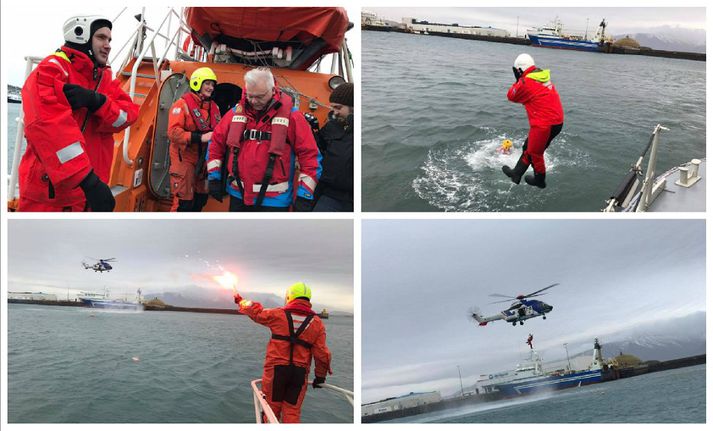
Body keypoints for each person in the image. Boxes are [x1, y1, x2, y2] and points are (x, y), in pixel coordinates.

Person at [18, 15, 138, 211]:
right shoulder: (50, 71)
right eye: (101, 37)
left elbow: (129, 115)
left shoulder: (103, 78)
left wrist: (98, 102)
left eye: (109, 40)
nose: (108, 45)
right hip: (51, 199)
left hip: (87, 196)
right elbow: (50, 131)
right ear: (80, 35)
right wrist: (89, 182)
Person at [207, 67, 320, 211]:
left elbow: (310, 155)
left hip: (275, 200)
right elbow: (215, 143)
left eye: (259, 97)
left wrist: (305, 195)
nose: (254, 101)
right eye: (250, 96)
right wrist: (214, 177)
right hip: (238, 194)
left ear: (273, 90)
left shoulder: (293, 117)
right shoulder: (235, 113)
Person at [234, 282, 332, 423]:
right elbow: (322, 354)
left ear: (289, 296)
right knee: (292, 412)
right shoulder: (317, 323)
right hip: (299, 374)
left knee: (271, 410)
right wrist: (320, 376)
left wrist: (240, 301)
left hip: (276, 372)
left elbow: (256, 312)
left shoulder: (278, 314)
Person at [502, 53, 564, 189]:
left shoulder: (526, 82)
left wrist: (518, 80)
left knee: (535, 152)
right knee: (528, 147)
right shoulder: (541, 76)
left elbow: (511, 95)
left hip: (543, 124)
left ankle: (540, 179)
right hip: (557, 122)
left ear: (519, 70)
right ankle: (516, 174)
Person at [167, 67, 221, 212]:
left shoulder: (214, 108)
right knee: (183, 204)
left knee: (200, 201)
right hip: (184, 159)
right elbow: (173, 132)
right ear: (198, 83)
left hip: (203, 161)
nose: (210, 87)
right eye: (207, 83)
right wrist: (200, 137)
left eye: (212, 84)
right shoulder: (181, 105)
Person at [313, 82, 354, 212]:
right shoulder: (331, 127)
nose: (334, 112)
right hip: (331, 194)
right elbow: (317, 147)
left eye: (338, 107)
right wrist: (310, 129)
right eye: (333, 108)